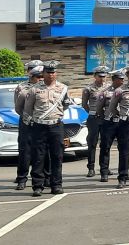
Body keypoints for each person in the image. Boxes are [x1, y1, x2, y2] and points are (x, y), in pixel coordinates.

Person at [22, 61, 73, 197]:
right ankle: (37, 186)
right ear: (43, 74)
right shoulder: (34, 89)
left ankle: (56, 184)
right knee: (38, 156)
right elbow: (28, 108)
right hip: (39, 126)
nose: (51, 75)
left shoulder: (63, 88)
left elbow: (65, 105)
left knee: (57, 155)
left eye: (53, 72)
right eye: (48, 72)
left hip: (56, 125)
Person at [14, 61, 44, 190]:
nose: (40, 79)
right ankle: (22, 179)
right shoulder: (21, 87)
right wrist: (28, 117)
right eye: (38, 76)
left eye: (42, 76)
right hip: (26, 122)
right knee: (25, 152)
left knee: (42, 151)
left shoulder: (46, 87)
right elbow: (18, 107)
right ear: (31, 75)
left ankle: (44, 178)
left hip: (41, 122)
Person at [96, 69, 125, 182]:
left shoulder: (125, 91)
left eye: (123, 79)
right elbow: (99, 108)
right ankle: (104, 172)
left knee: (124, 148)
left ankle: (123, 172)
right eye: (119, 79)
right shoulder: (105, 92)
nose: (122, 81)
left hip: (122, 122)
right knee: (105, 147)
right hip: (109, 122)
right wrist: (105, 118)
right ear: (114, 80)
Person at [81, 66, 109, 177]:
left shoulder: (109, 88)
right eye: (100, 76)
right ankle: (91, 167)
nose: (102, 78)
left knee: (106, 143)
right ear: (95, 76)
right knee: (92, 143)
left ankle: (104, 167)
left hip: (106, 118)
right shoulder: (88, 88)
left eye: (104, 76)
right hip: (94, 118)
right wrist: (93, 112)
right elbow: (84, 104)